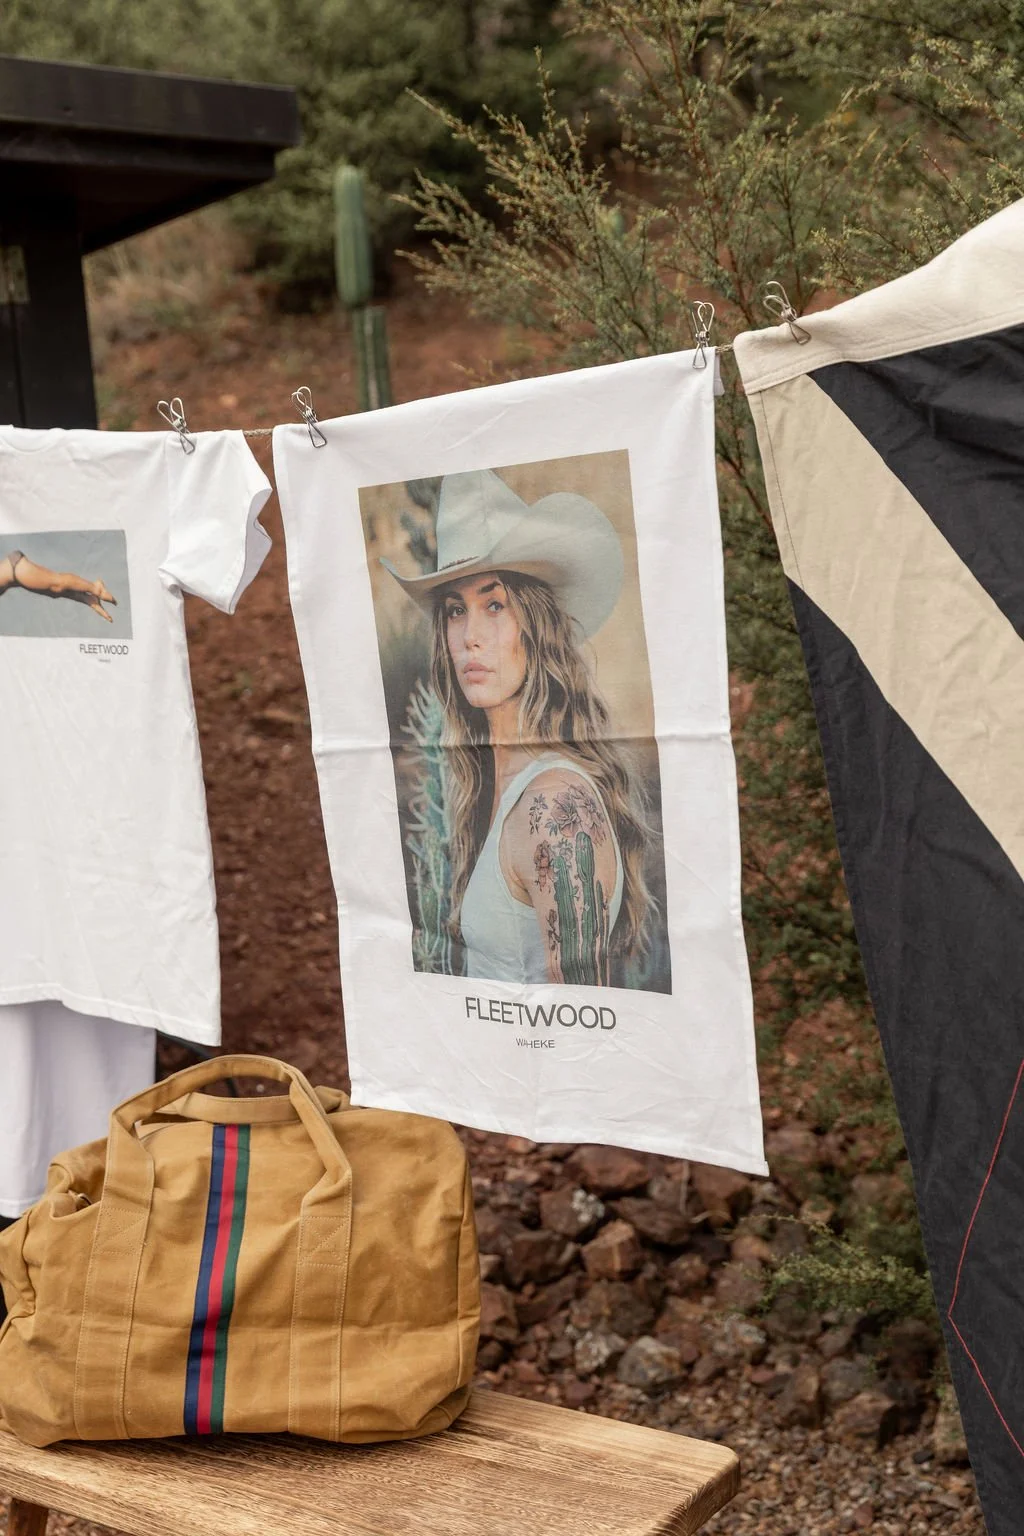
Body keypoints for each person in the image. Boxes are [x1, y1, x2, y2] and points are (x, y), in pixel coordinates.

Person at [383, 468, 651, 987]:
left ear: (537, 628)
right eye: (456, 610)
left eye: (495, 605)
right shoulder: (491, 785)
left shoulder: (554, 805)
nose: (470, 637)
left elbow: (578, 1020)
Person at [0, 549, 117, 622]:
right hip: (14, 574)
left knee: (57, 584)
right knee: (54, 592)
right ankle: (88, 598)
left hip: (14, 569)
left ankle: (96, 588)